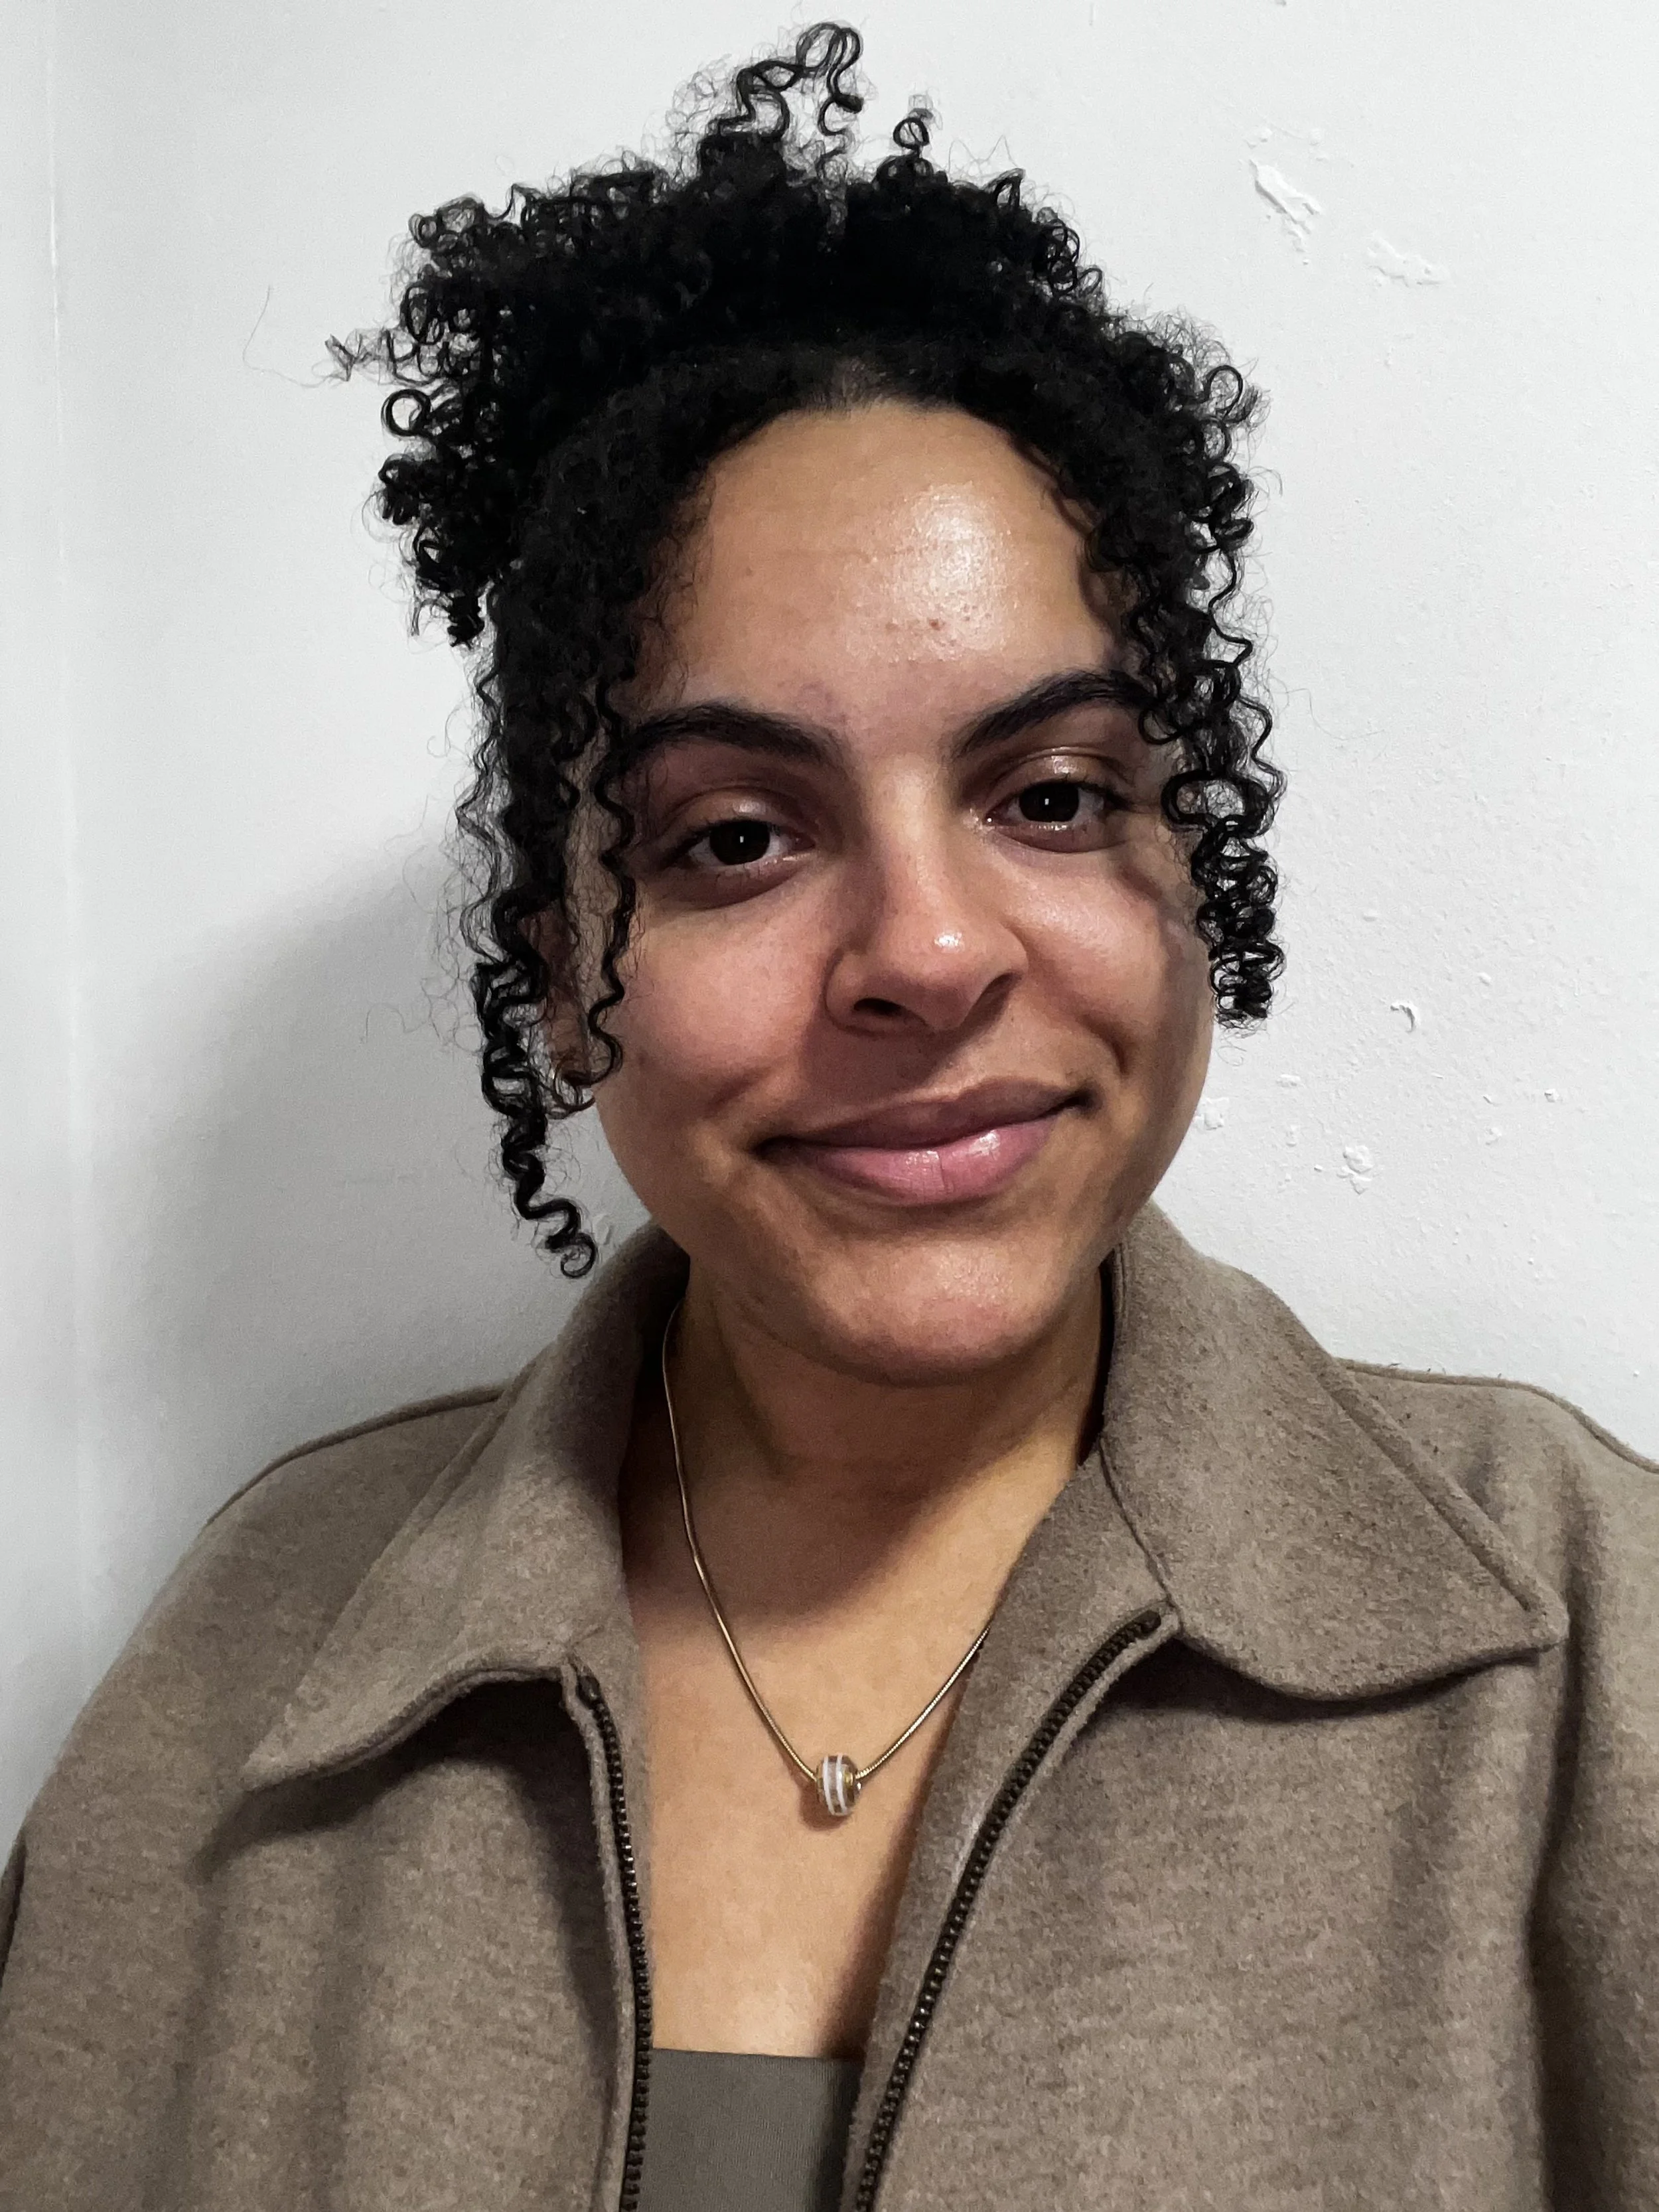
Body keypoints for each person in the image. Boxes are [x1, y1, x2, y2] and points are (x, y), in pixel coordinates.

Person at [1, 23, 1654, 2211]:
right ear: (563, 968)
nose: (927, 951)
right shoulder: (240, 1672)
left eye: (1052, 796)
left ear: (1192, 861)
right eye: (730, 840)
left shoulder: (1580, 1641)